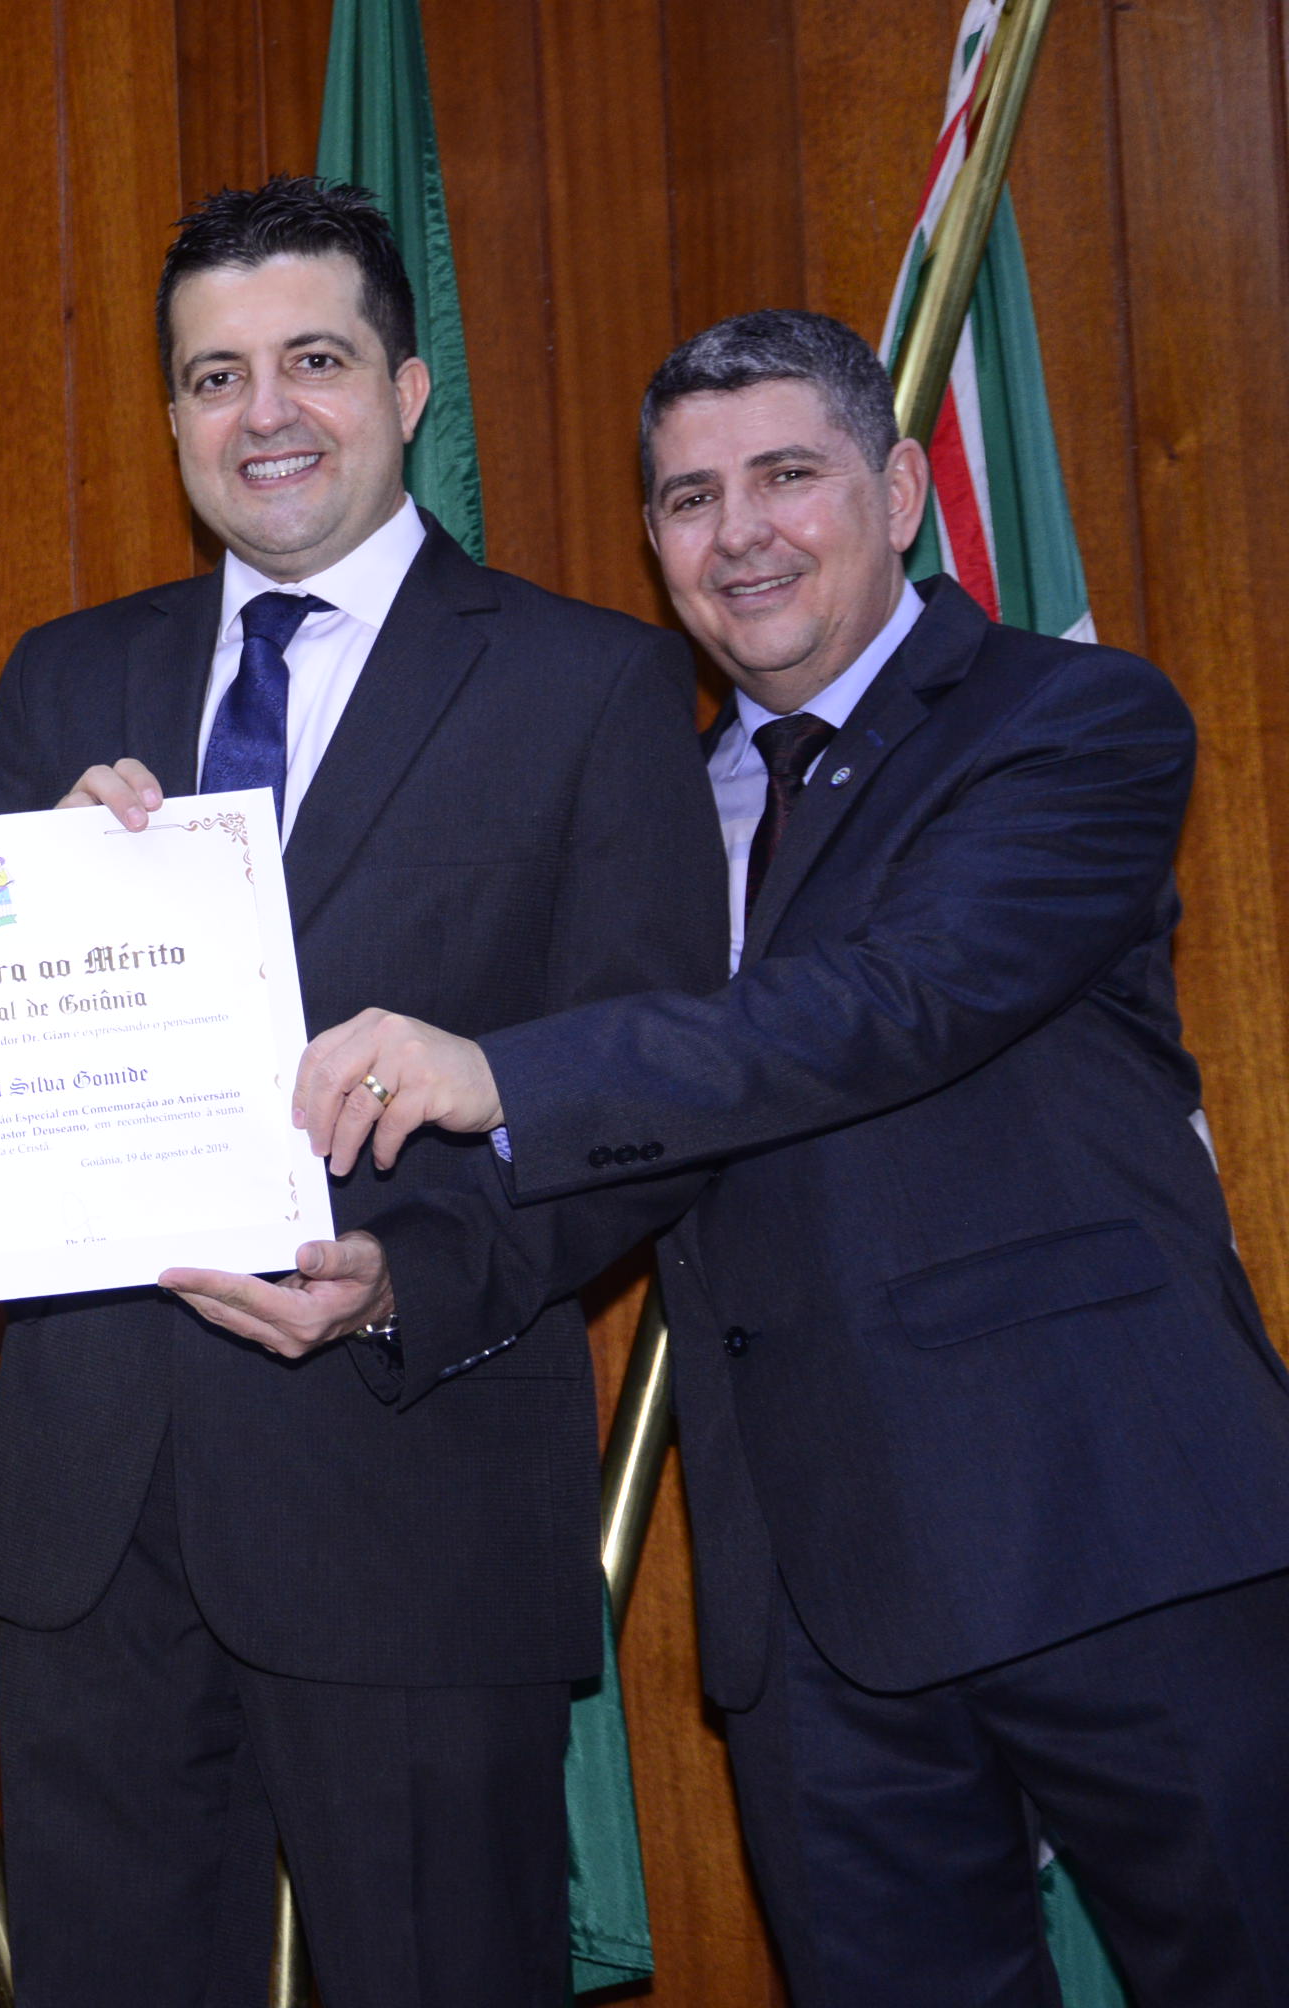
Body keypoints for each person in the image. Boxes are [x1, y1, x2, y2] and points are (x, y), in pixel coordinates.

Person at [298, 309, 1289, 2005]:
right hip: (810, 1607)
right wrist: (401, 1273)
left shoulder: (1073, 719)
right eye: (689, 500)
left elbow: (894, 1004)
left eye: (786, 477)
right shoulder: (656, 806)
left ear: (897, 491)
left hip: (1115, 1536)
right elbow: (622, 1136)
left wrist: (500, 1067)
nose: (738, 533)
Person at [0, 175, 727, 2007]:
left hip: (412, 1496)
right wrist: (26, 906)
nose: (264, 414)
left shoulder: (594, 683)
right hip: (96, 1520)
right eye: (213, 376)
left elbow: (646, 1093)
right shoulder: (65, 680)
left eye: (312, 360)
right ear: (172, 418)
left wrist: (407, 1279)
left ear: (407, 388)